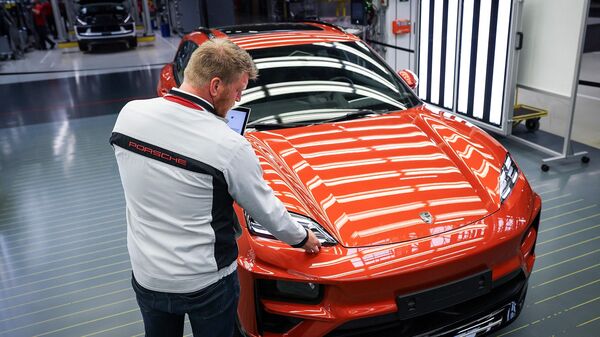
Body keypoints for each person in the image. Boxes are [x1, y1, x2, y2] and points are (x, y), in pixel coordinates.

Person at [110, 38, 321, 337]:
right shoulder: (229, 145)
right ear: (215, 86)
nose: (237, 100)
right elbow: (266, 210)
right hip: (205, 283)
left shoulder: (129, 114)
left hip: (148, 274)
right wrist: (302, 239)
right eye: (237, 91)